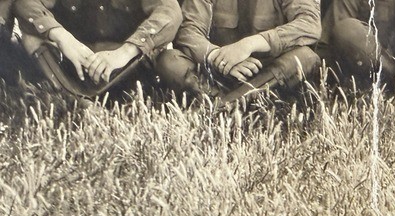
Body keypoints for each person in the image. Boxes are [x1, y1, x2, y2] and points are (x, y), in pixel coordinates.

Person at [156, 0, 321, 105]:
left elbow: (309, 24)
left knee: (305, 57)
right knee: (168, 60)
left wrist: (248, 45)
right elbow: (188, 31)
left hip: (271, 75)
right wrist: (219, 58)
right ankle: (236, 106)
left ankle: (218, 109)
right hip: (221, 74)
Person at [13, 0, 182, 97]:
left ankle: (89, 100)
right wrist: (62, 37)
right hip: (72, 66)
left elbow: (169, 13)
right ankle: (68, 96)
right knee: (32, 36)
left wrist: (126, 51)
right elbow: (26, 3)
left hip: (127, 67)